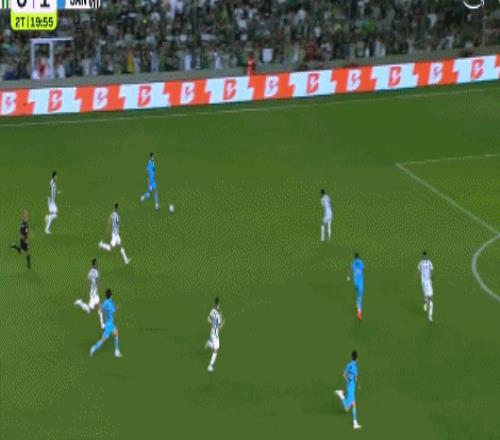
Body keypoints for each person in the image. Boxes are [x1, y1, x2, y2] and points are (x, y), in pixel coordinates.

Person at [90, 288, 123, 358]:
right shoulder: (111, 303)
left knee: (116, 333)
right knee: (103, 339)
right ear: (111, 295)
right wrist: (118, 307)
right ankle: (93, 348)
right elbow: (114, 311)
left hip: (108, 322)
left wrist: (104, 314)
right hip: (109, 324)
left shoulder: (105, 302)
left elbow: (101, 310)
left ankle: (117, 351)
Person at [74, 258, 105, 329]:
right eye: (96, 263)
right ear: (94, 264)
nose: (97, 264)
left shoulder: (90, 272)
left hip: (94, 292)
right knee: (89, 310)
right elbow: (97, 281)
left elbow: (88, 282)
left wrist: (91, 287)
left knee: (100, 308)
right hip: (94, 294)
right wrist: (97, 287)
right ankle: (80, 303)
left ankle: (102, 324)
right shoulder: (96, 272)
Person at [335, 350, 362, 430]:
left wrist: (348, 381)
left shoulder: (348, 365)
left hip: (348, 386)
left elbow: (344, 375)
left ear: (351, 357)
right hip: (352, 387)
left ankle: (355, 423)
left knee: (351, 406)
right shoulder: (355, 368)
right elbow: (355, 379)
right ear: (356, 358)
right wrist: (358, 385)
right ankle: (340, 395)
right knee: (348, 407)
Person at [205, 297, 224, 373]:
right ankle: (210, 366)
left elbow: (208, 319)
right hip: (215, 334)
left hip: (212, 332)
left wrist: (212, 323)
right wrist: (223, 323)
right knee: (216, 350)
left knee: (215, 348)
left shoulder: (212, 310)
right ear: (218, 304)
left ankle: (209, 343)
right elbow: (220, 327)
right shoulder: (218, 315)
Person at [418, 251, 434, 323]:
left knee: (430, 298)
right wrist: (418, 273)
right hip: (424, 282)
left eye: (425, 256)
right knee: (429, 298)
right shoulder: (421, 263)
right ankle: (426, 302)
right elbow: (418, 270)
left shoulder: (429, 262)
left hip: (428, 282)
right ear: (422, 256)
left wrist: (431, 276)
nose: (424, 257)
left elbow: (432, 269)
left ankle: (430, 316)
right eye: (423, 256)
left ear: (427, 256)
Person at [352, 253, 365, 320]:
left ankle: (359, 310)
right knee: (359, 297)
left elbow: (353, 270)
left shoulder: (353, 264)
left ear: (354, 257)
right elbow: (363, 269)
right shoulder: (361, 262)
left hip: (356, 283)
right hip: (360, 284)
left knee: (358, 296)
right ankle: (359, 311)